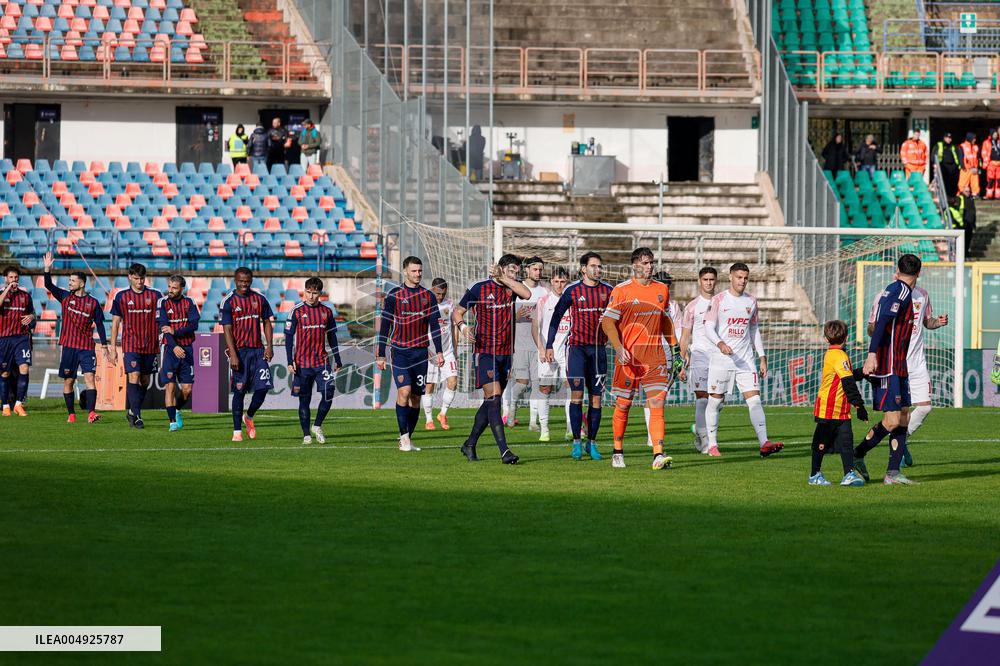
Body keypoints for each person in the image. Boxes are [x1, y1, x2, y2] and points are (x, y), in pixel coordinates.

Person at [601, 248, 685, 470]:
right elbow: (607, 323)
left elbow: (665, 321)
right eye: (646, 263)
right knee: (624, 404)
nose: (650, 267)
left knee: (657, 403)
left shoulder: (661, 290)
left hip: (655, 356)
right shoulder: (621, 291)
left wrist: (675, 350)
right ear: (635, 265)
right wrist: (618, 348)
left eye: (651, 263)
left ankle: (658, 453)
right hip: (628, 357)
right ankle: (617, 451)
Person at [453, 255, 532, 464]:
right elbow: (458, 311)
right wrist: (462, 326)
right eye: (512, 270)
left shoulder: (512, 288)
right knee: (495, 398)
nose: (515, 274)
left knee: (490, 403)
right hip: (485, 352)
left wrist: (506, 279)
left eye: (517, 271)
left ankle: (469, 444)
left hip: (506, 353)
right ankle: (504, 451)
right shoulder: (479, 288)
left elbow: (527, 293)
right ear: (501, 268)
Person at [852, 253, 922, 485]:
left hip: (898, 365)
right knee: (892, 420)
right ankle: (857, 454)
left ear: (898, 270)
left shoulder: (900, 291)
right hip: (888, 365)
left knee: (903, 417)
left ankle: (892, 473)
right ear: (919, 274)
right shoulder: (899, 292)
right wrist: (872, 356)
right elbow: (881, 322)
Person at [703, 262, 783, 458]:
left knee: (754, 399)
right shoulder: (719, 300)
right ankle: (712, 444)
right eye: (739, 277)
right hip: (721, 359)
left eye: (745, 278)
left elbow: (754, 329)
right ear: (730, 277)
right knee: (715, 401)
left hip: (745, 359)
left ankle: (764, 442)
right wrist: (721, 344)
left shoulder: (751, 301)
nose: (742, 281)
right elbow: (708, 327)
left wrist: (762, 356)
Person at [867, 268, 948, 461]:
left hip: (917, 362)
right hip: (894, 363)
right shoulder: (883, 296)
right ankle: (876, 455)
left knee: (925, 407)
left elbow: (927, 322)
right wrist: (882, 329)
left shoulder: (923, 295)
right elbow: (871, 328)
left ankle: (902, 444)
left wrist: (939, 322)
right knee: (896, 417)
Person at [545, 252, 613, 460]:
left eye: (600, 266)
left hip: (599, 351)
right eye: (594, 266)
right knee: (576, 396)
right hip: (576, 350)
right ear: (584, 269)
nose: (598, 270)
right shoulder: (572, 290)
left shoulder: (609, 291)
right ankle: (576, 441)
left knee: (596, 400)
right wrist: (549, 345)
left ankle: (591, 443)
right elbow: (556, 317)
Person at [375, 256, 444, 452]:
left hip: (421, 353)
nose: (417, 274)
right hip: (400, 352)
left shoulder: (428, 296)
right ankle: (404, 438)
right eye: (414, 271)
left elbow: (435, 327)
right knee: (403, 392)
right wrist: (381, 354)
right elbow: (385, 327)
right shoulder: (394, 295)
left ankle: (407, 437)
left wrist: (438, 351)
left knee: (415, 398)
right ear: (405, 271)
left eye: (420, 271)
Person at [42, 253, 106, 423]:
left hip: (86, 347)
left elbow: (100, 325)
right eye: (69, 281)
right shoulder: (64, 297)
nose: (69, 283)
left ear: (82, 283)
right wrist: (47, 268)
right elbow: (48, 284)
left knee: (90, 378)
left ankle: (91, 413)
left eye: (72, 281)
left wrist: (105, 346)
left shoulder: (93, 303)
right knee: (69, 381)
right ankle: (71, 414)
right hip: (69, 346)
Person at [808, 320, 868, 487]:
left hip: (840, 407)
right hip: (828, 406)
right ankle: (814, 475)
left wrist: (862, 372)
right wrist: (859, 406)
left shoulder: (833, 354)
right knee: (821, 440)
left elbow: (846, 376)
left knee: (846, 440)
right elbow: (848, 382)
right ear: (847, 337)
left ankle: (848, 474)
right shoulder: (838, 355)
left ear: (826, 339)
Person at [286, 277, 342, 445]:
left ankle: (317, 425)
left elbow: (332, 337)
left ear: (320, 294)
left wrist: (337, 358)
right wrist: (290, 361)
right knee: (305, 399)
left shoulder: (327, 312)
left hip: (321, 361)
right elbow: (289, 337)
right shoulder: (296, 311)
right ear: (304, 291)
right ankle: (306, 435)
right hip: (302, 364)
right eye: (308, 292)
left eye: (314, 293)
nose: (310, 296)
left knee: (329, 392)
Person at [220, 267, 275, 442]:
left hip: (258, 351)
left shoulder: (259, 299)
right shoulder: (228, 302)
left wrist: (269, 346)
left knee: (263, 388)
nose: (244, 284)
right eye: (241, 281)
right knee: (239, 391)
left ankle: (249, 416)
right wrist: (233, 354)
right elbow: (227, 330)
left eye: (247, 281)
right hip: (240, 352)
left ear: (251, 281)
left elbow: (267, 322)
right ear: (235, 280)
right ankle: (237, 431)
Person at [108, 263, 162, 429]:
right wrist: (112, 348)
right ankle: (137, 416)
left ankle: (132, 411)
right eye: (136, 278)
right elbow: (116, 323)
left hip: (151, 345)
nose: (139, 282)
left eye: (142, 278)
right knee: (134, 376)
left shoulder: (155, 295)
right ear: (130, 277)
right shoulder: (121, 296)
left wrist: (162, 334)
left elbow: (161, 319)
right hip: (131, 344)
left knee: (145, 380)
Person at [504, 256, 548, 429]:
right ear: (527, 270)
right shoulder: (516, 290)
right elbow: (503, 317)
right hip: (519, 345)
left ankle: (533, 422)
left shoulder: (545, 292)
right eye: (535, 269)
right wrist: (516, 316)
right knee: (522, 383)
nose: (538, 272)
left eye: (540, 269)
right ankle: (511, 408)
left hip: (538, 345)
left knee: (537, 383)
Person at [680, 267, 718, 453]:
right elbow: (685, 335)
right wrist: (682, 358)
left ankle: (699, 428)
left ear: (716, 281)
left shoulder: (722, 302)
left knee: (718, 401)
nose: (709, 282)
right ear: (699, 281)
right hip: (700, 355)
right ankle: (705, 441)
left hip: (719, 357)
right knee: (703, 398)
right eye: (705, 279)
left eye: (712, 279)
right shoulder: (692, 306)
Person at [643, 270, 683, 448]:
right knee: (652, 394)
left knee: (660, 395)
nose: (665, 289)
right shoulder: (646, 303)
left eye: (668, 286)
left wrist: (679, 356)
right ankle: (652, 437)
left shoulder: (673, 306)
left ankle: (653, 435)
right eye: (663, 285)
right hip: (649, 351)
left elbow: (679, 331)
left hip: (668, 352)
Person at [532, 267, 572, 442]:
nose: (559, 285)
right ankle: (545, 429)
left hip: (568, 351)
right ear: (551, 282)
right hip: (547, 352)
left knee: (572, 388)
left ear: (567, 282)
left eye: (563, 282)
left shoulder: (572, 300)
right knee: (545, 388)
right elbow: (535, 328)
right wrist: (541, 348)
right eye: (556, 281)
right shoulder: (543, 301)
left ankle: (571, 428)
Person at [157, 275, 200, 432]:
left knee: (187, 390)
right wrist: (174, 346)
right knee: (170, 386)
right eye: (169, 287)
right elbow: (164, 328)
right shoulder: (162, 302)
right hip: (170, 349)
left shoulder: (189, 303)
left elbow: (194, 325)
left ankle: (176, 409)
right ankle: (172, 422)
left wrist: (176, 331)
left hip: (187, 348)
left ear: (182, 289)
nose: (170, 290)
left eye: (174, 288)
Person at [422, 277, 458, 431]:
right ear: (432, 289)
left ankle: (442, 414)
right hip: (430, 351)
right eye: (437, 293)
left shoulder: (449, 304)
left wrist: (455, 350)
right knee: (430, 385)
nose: (440, 297)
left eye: (443, 294)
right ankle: (429, 419)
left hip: (448, 351)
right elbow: (420, 329)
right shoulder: (425, 305)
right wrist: (425, 348)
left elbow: (453, 327)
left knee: (453, 382)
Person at [0, 264, 35, 417]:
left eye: (16, 278)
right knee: (5, 374)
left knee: (24, 368)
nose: (14, 280)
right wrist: (7, 289)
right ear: (5, 279)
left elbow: (32, 314)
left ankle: (19, 404)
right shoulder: (2, 294)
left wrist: (32, 317)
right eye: (11, 278)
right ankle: (6, 405)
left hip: (21, 338)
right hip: (4, 338)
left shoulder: (25, 296)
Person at [948, 187, 976, 252]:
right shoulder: (959, 198)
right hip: (962, 223)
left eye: (969, 191)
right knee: (962, 240)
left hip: (970, 224)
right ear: (963, 191)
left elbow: (973, 212)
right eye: (966, 191)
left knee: (968, 239)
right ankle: (961, 253)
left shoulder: (971, 200)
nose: (968, 193)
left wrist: (974, 223)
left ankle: (966, 252)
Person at [934, 132, 960, 198]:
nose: (949, 139)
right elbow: (934, 155)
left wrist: (956, 166)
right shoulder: (939, 145)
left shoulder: (953, 146)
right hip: (943, 167)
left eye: (950, 138)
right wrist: (935, 164)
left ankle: (951, 195)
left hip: (952, 168)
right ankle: (944, 196)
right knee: (943, 182)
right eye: (947, 138)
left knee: (951, 183)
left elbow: (957, 156)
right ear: (944, 138)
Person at [959, 132, 980, 197]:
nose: (975, 140)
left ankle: (975, 195)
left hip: (974, 169)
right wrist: (963, 166)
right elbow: (960, 157)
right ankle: (962, 195)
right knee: (963, 183)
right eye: (974, 138)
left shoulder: (976, 147)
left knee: (975, 183)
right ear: (970, 138)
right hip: (966, 168)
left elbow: (978, 158)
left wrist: (978, 168)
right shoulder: (962, 146)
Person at [985, 129, 1000, 199]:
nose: (995, 135)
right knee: (990, 180)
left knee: (999, 180)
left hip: (999, 164)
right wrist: (986, 163)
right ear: (991, 134)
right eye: (994, 134)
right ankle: (989, 195)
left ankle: (998, 195)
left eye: (996, 134)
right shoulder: (987, 142)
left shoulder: (999, 141)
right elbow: (984, 153)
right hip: (991, 163)